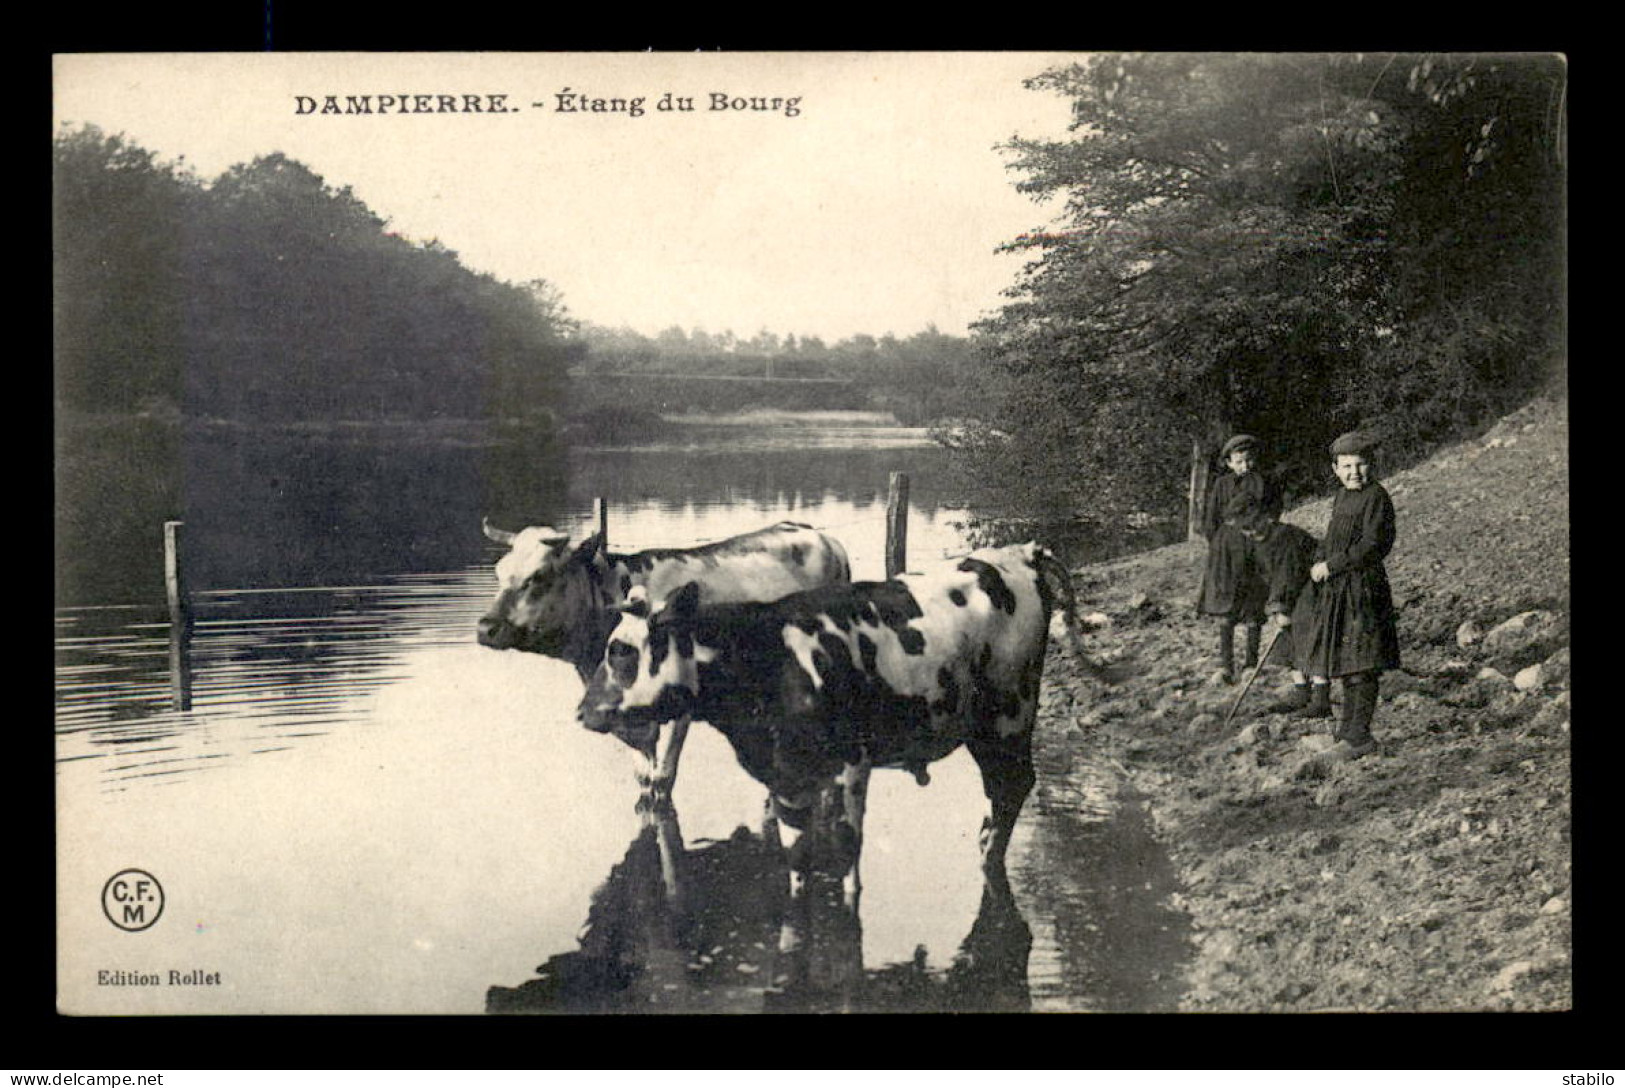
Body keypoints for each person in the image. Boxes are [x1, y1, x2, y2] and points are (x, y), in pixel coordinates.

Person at [1298, 431, 1401, 762]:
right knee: (1346, 661)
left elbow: (1373, 545)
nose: (1354, 472)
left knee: (1363, 661)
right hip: (1340, 588)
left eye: (1360, 465)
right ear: (1335, 469)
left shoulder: (1376, 497)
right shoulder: (1342, 497)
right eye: (1346, 466)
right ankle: (1347, 732)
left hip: (1364, 589)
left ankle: (1360, 736)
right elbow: (1333, 538)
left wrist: (1333, 564)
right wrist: (1318, 560)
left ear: (1370, 465)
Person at [1196, 434, 1282, 684]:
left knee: (1253, 604)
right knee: (1226, 606)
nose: (1246, 466)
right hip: (1226, 550)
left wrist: (1261, 534)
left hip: (1256, 545)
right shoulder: (1222, 485)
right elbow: (1210, 520)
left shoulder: (1266, 482)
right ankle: (1225, 665)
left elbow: (1274, 512)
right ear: (1229, 463)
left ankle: (1251, 664)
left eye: (1250, 460)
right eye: (1240, 461)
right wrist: (1222, 543)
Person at [1256, 521, 1326, 714]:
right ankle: (1301, 692)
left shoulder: (1285, 540)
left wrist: (1282, 608)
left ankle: (1321, 699)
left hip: (1311, 592)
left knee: (1311, 642)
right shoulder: (1264, 541)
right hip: (1294, 593)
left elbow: (1288, 576)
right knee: (1289, 642)